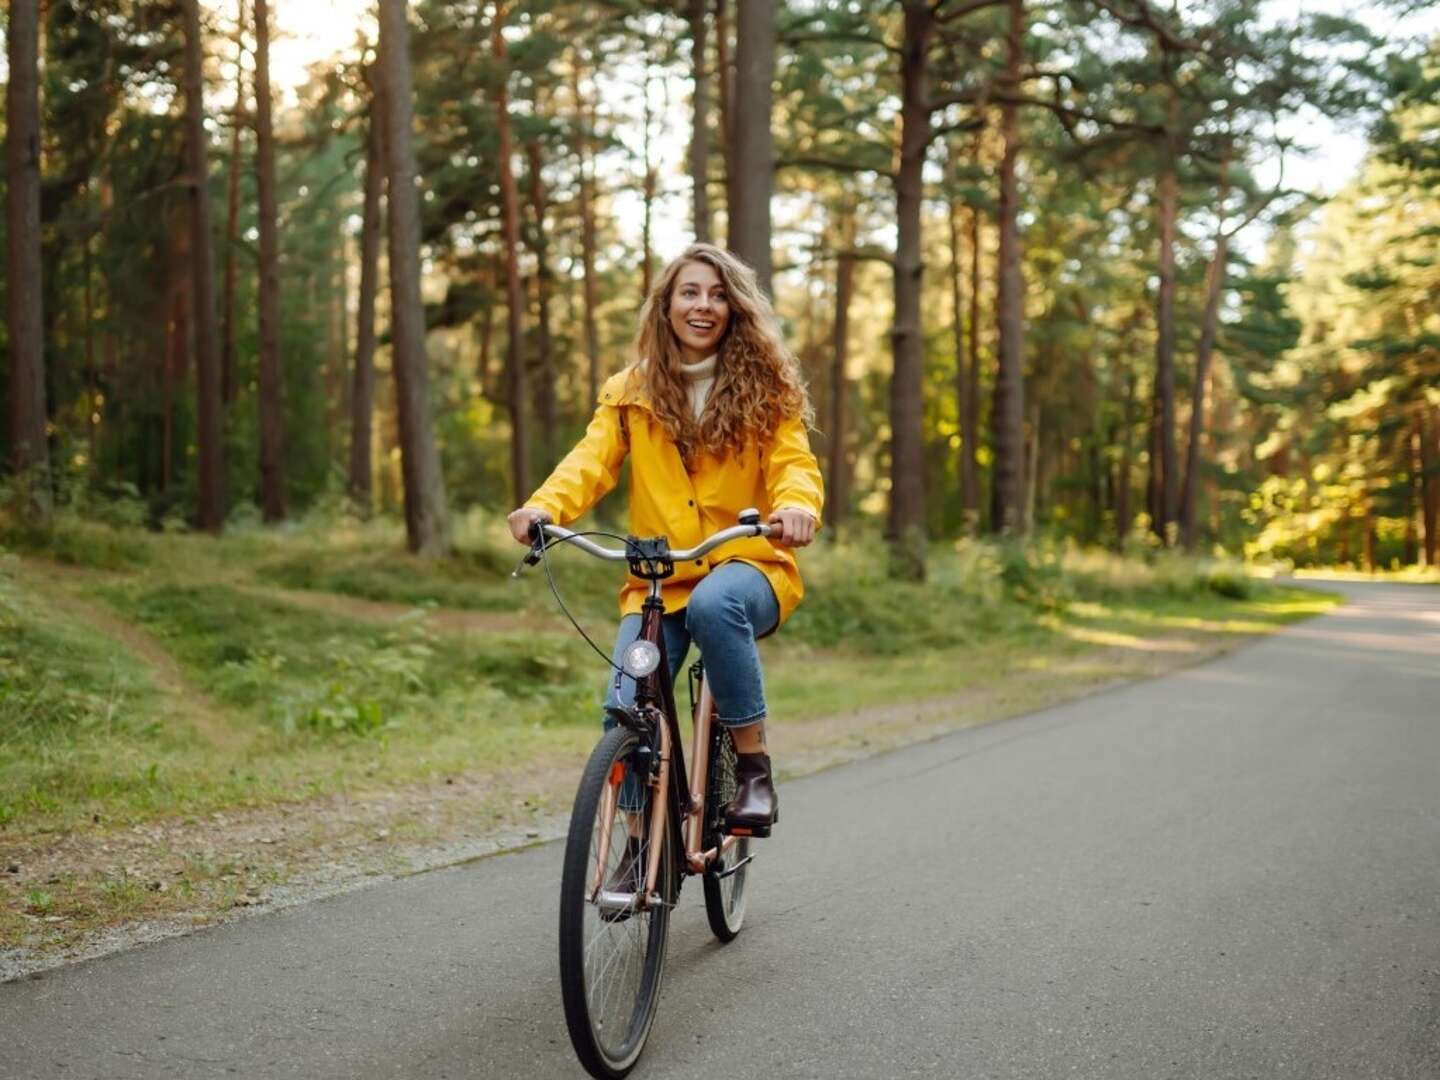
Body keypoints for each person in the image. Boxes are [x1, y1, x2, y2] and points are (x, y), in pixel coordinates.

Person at [507, 242, 823, 838]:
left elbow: (793, 463)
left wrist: (797, 506)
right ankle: (636, 847)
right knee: (626, 700)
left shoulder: (769, 389)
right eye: (690, 292)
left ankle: (753, 766)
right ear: (667, 306)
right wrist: (544, 507)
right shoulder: (631, 391)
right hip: (661, 577)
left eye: (717, 294)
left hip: (747, 564)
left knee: (714, 604)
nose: (703, 306)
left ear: (735, 309)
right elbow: (591, 462)